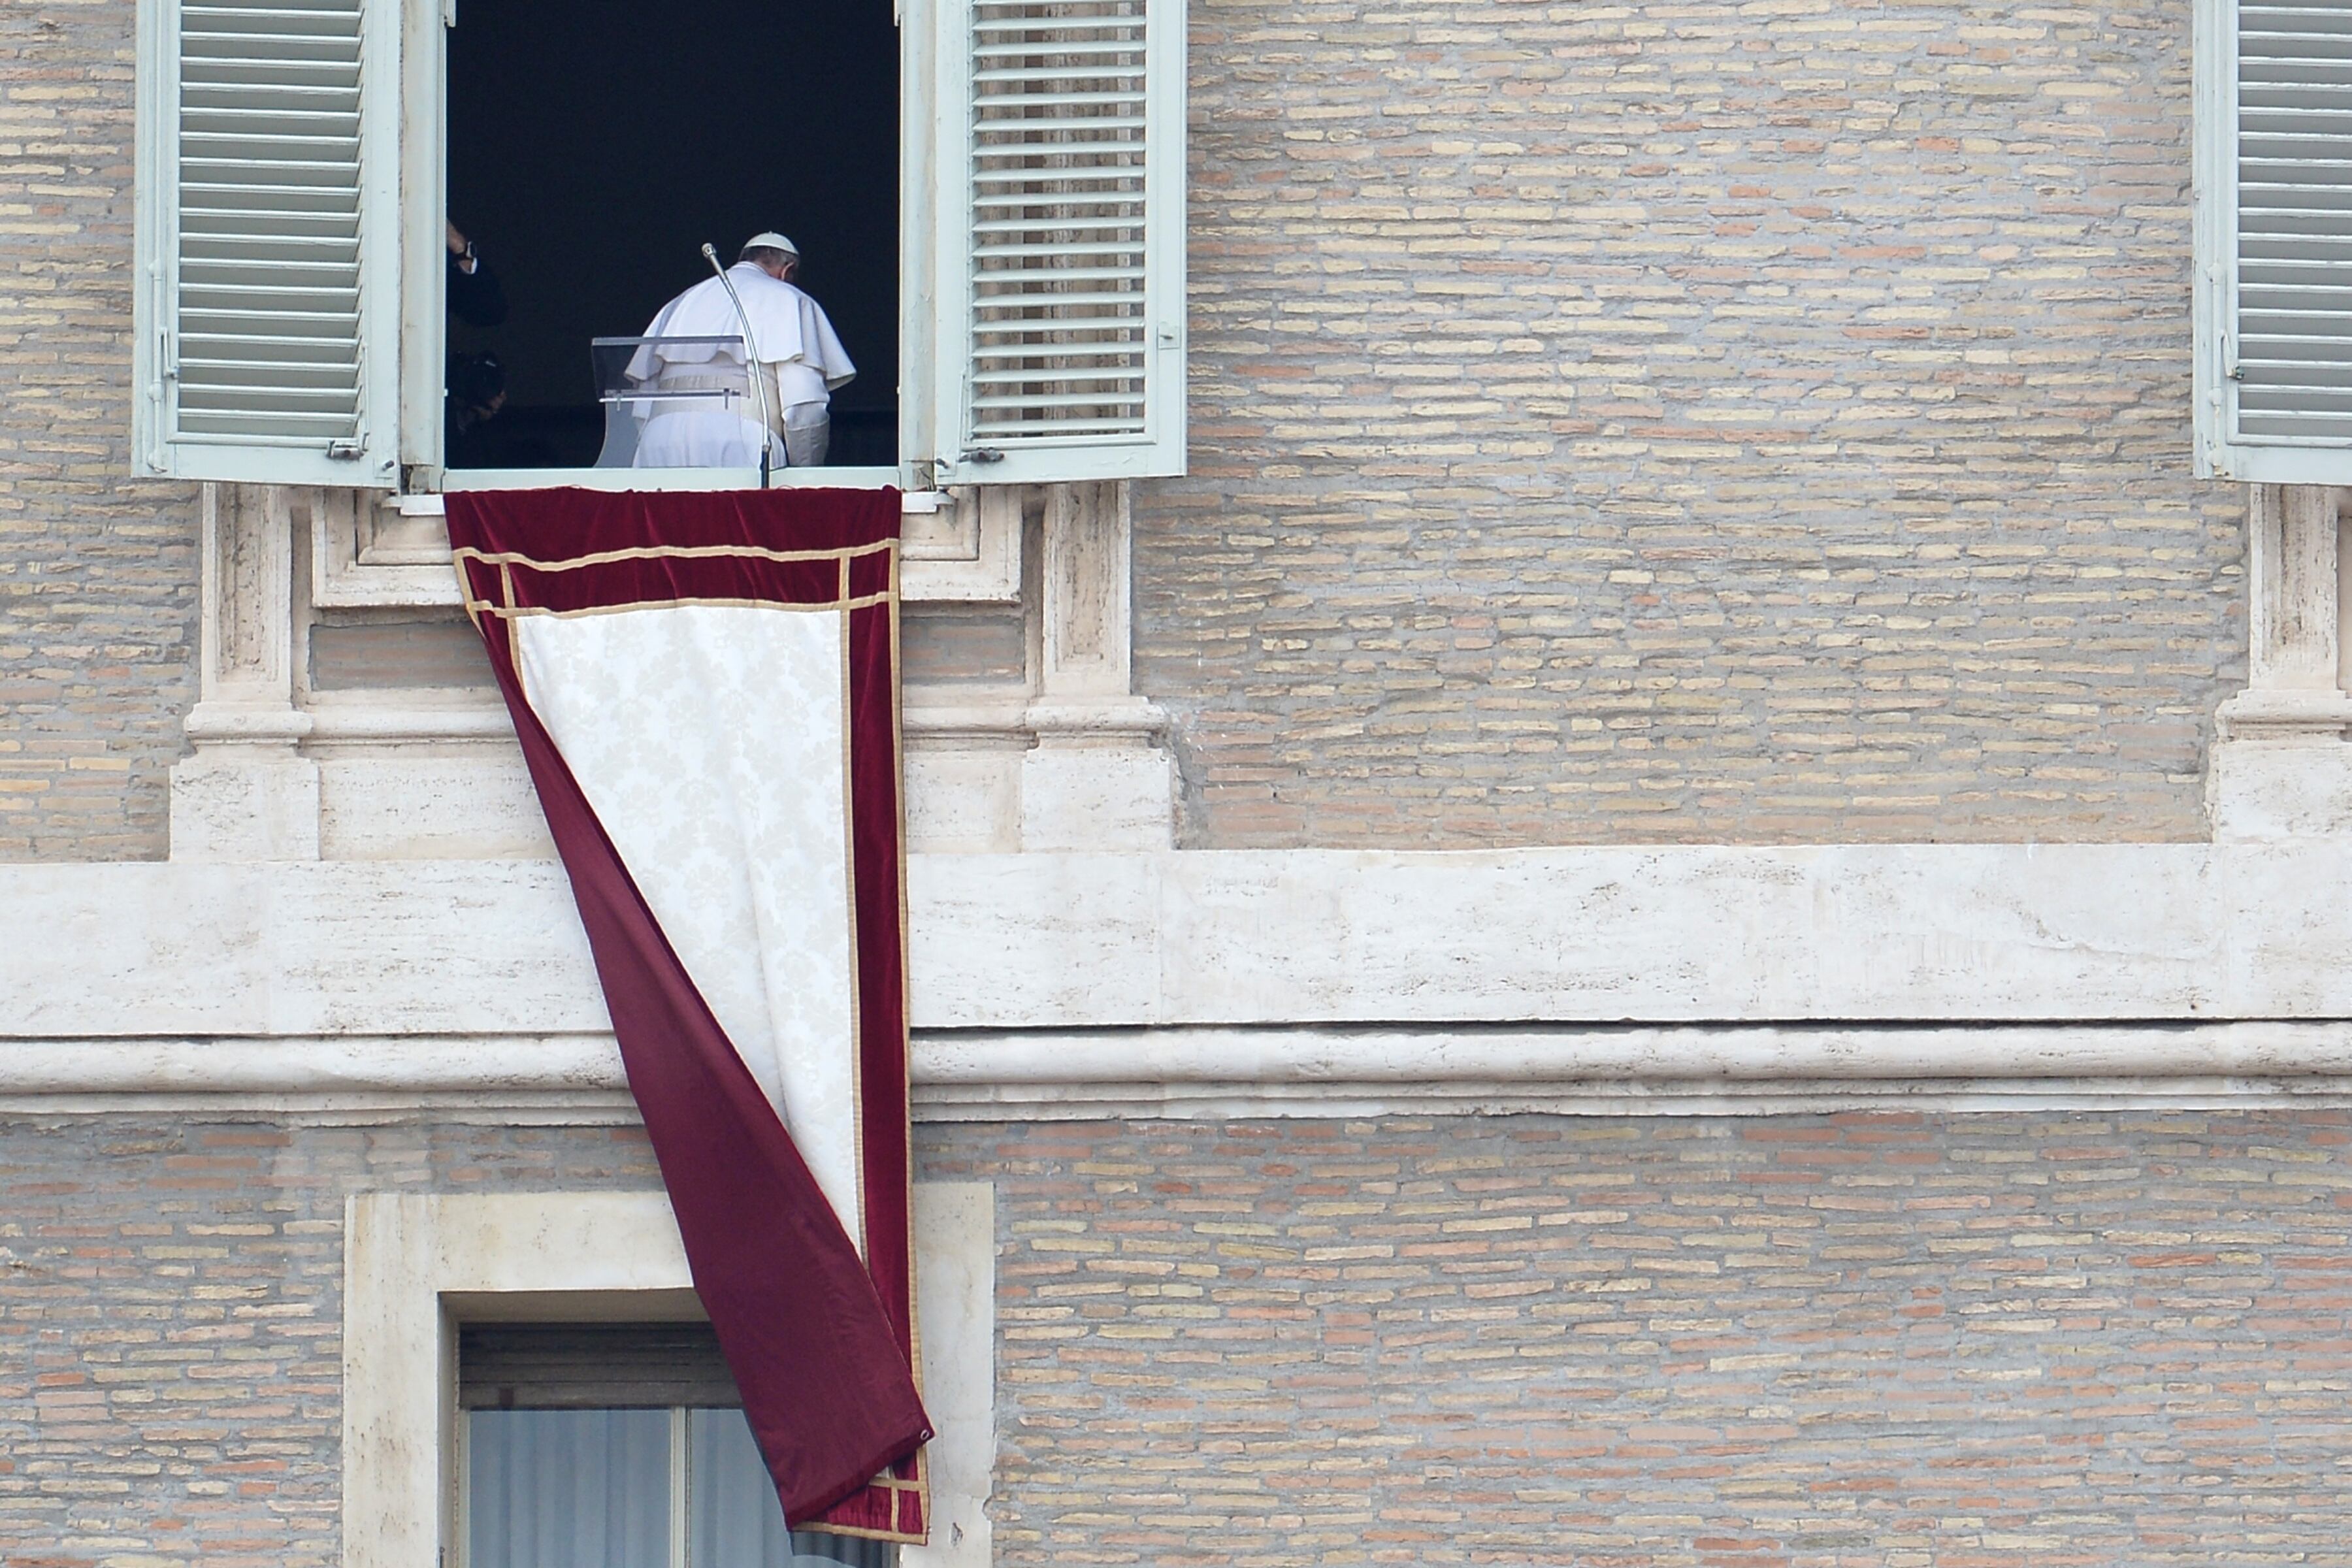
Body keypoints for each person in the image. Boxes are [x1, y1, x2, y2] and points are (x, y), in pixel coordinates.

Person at [625, 233, 855, 470]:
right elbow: (804, 410)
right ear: (787, 271)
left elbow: (642, 404)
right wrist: (806, 475)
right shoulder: (789, 299)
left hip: (660, 442)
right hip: (741, 441)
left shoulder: (680, 303)